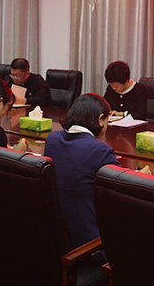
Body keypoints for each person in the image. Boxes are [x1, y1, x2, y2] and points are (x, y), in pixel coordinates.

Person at [43, 93, 119, 264]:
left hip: (57, 240)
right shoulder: (100, 151)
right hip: (89, 246)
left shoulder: (52, 140)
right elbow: (120, 194)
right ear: (100, 119)